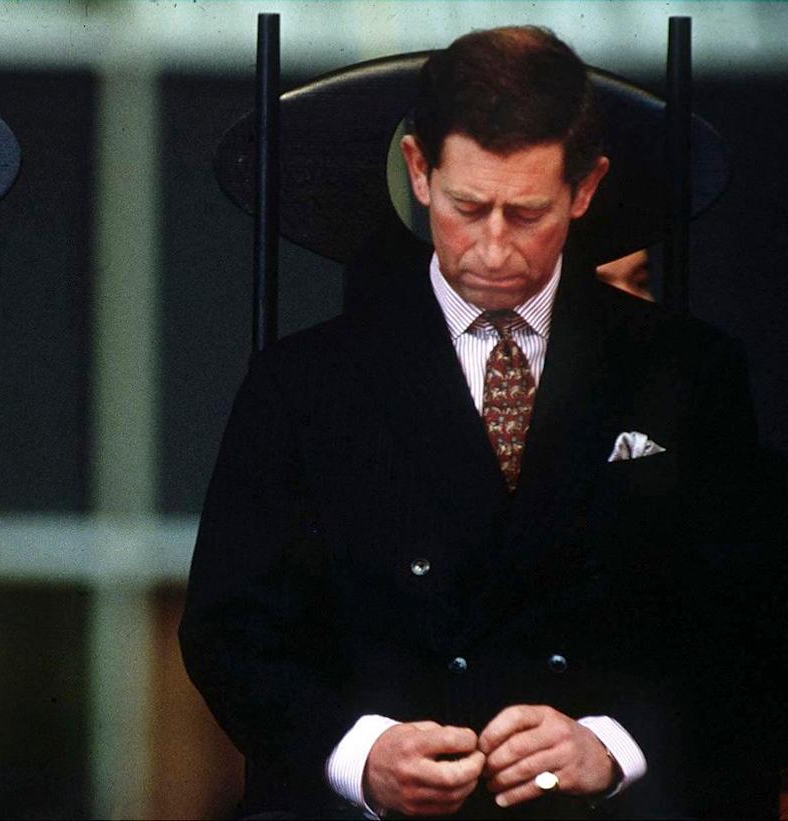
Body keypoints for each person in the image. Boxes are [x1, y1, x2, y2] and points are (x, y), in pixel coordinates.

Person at [179, 26, 762, 819]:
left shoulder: (690, 372)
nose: (492, 247)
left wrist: (613, 743)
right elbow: (228, 627)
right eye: (467, 207)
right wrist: (360, 753)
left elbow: (748, 628)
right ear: (419, 171)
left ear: (585, 190)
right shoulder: (304, 382)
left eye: (527, 213)